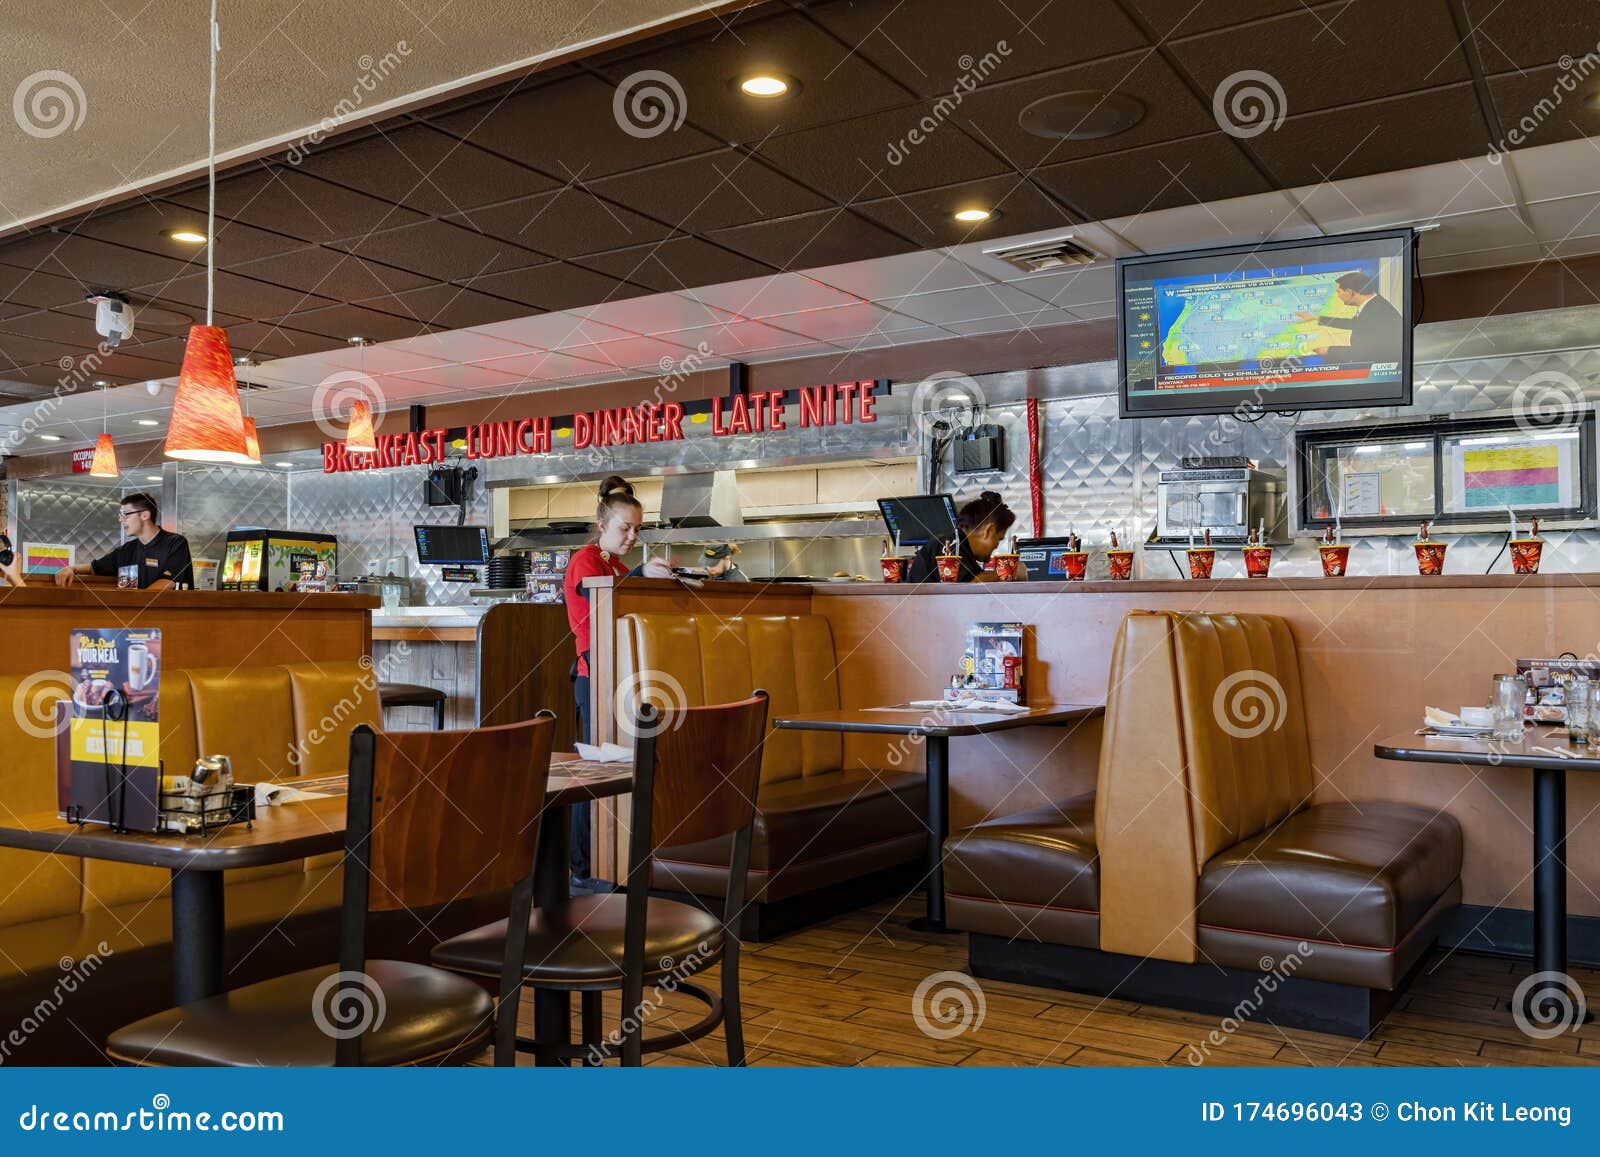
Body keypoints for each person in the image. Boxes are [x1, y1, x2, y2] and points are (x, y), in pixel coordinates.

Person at [562, 476, 672, 893]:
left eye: (638, 529)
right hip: (595, 677)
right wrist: (644, 573)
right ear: (602, 524)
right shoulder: (587, 561)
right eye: (625, 528)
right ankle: (583, 868)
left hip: (619, 678)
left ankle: (609, 864)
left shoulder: (615, 566)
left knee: (615, 768)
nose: (632, 535)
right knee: (595, 772)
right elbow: (609, 600)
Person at [55, 493, 193, 591]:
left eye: (125, 515)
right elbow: (94, 568)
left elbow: (166, 583)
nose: (121, 520)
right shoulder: (127, 550)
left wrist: (136, 605)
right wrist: (71, 568)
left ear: (144, 515)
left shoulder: (175, 543)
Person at [906, 490, 1019, 583]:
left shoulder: (966, 552)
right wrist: (1011, 572)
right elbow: (969, 586)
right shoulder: (951, 545)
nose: (996, 546)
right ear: (988, 531)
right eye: (998, 539)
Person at [1294, 272, 1402, 363]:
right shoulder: (1373, 304)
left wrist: (1327, 350)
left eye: (1339, 292)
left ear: (1350, 292)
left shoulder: (1377, 313)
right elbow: (1355, 324)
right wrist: (1316, 318)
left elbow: (1365, 351)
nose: (1338, 296)